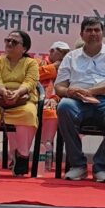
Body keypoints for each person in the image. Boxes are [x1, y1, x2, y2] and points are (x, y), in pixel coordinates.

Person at [54, 17, 105, 183]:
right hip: (78, 102)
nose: (93, 33)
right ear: (82, 34)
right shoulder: (71, 57)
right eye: (89, 30)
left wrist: (91, 91)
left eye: (97, 30)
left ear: (103, 33)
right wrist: (69, 92)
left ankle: (101, 166)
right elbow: (59, 87)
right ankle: (78, 165)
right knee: (64, 106)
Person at [0, 30, 40, 176]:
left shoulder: (31, 63)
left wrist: (17, 93)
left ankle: (22, 157)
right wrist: (4, 91)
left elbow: (30, 82)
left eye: (14, 42)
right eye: (7, 40)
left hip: (22, 100)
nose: (9, 44)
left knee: (29, 114)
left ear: (24, 48)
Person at [37, 41, 70, 170]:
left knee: (51, 112)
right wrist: (54, 67)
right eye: (61, 52)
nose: (64, 55)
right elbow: (34, 76)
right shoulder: (37, 62)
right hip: (33, 100)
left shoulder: (66, 67)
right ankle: (16, 156)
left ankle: (46, 150)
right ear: (51, 51)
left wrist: (55, 99)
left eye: (66, 53)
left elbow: (67, 87)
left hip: (54, 103)